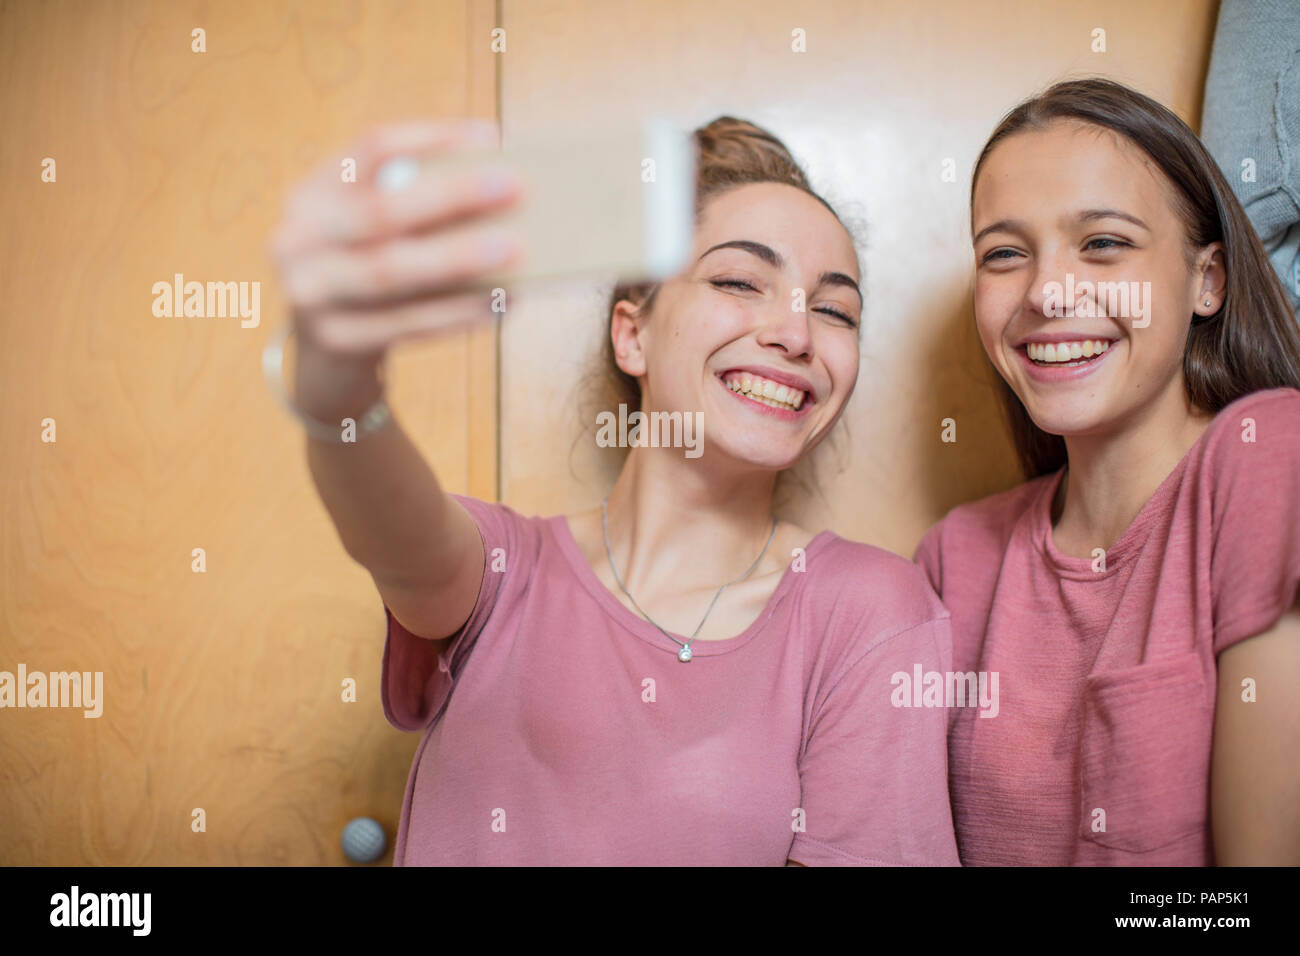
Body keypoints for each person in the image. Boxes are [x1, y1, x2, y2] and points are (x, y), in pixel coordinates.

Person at [268, 115, 960, 865]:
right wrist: (337, 383)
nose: (796, 335)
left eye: (834, 310)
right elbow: (393, 534)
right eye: (738, 281)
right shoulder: (505, 572)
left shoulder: (871, 613)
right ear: (633, 335)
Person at [915, 78, 1300, 866]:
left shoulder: (1270, 456)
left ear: (1208, 280)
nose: (1047, 293)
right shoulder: (956, 557)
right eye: (1005, 254)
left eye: (1103, 244)